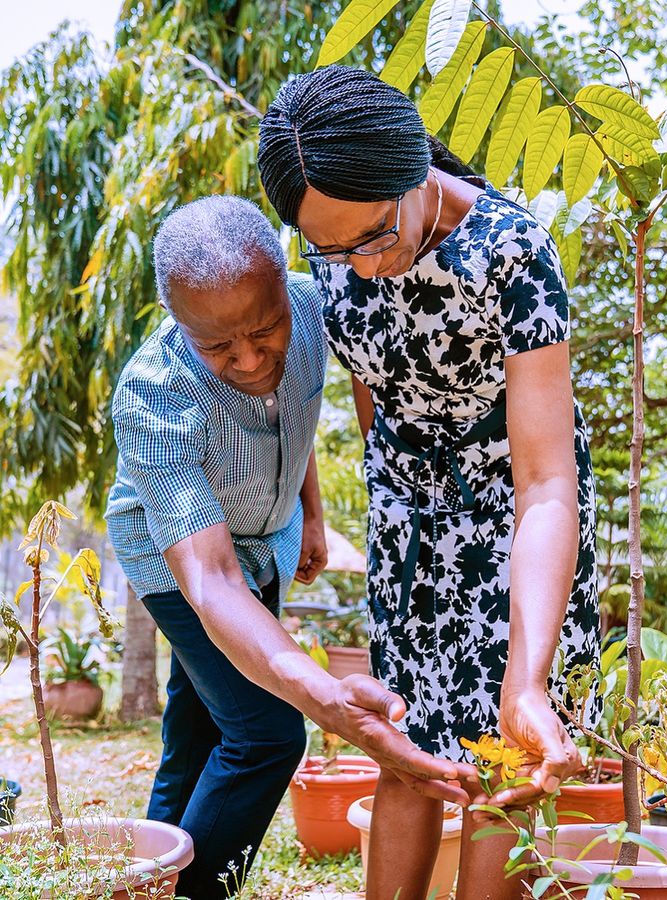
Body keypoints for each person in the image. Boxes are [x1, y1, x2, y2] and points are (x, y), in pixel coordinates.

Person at [258, 66, 601, 899]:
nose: (360, 268)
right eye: (331, 250)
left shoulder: (510, 253)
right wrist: (388, 504)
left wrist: (526, 676)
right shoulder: (340, 242)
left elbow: (547, 479)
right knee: (404, 747)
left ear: (413, 171)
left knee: (499, 762)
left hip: (512, 522)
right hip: (412, 523)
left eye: (373, 237)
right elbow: (372, 388)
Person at [105, 196, 474, 899]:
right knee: (266, 734)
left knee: (197, 729)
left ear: (285, 283)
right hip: (174, 557)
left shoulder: (315, 305)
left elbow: (290, 408)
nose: (249, 359)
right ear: (179, 323)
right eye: (219, 346)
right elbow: (212, 584)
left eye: (264, 329)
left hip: (265, 536)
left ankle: (142, 887)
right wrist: (329, 700)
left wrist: (311, 512)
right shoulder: (152, 396)